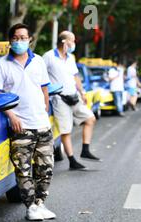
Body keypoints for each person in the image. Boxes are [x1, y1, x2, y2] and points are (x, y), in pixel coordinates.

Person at [0, 23, 55, 221]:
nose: (19, 41)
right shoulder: (1, 64)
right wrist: (12, 116)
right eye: (16, 38)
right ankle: (30, 208)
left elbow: (44, 89)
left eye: (23, 38)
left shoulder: (39, 62)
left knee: (46, 168)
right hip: (21, 126)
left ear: (30, 40)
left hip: (42, 124)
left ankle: (40, 203)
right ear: (10, 40)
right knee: (23, 168)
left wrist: (45, 109)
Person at [43, 31, 101, 171]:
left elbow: (75, 77)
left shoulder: (71, 57)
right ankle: (72, 161)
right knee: (66, 130)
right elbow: (41, 77)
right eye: (72, 40)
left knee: (90, 118)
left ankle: (85, 150)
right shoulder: (49, 56)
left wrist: (82, 92)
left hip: (74, 96)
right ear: (64, 41)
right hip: (59, 99)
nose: (74, 43)